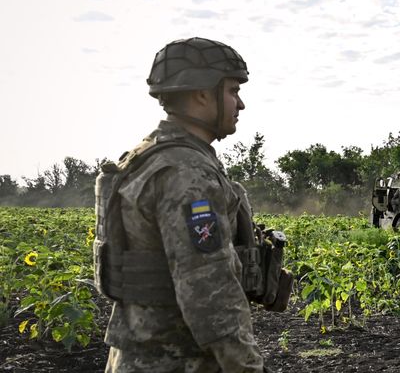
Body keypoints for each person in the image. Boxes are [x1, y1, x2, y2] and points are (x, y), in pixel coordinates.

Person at [94, 37, 269, 372]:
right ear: (202, 93)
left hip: (140, 356)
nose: (241, 103)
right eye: (233, 91)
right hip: (177, 360)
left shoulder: (146, 157)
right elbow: (209, 291)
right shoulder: (186, 173)